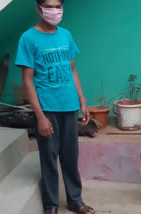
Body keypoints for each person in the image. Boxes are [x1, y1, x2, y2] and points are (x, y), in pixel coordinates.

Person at [15, 0, 94, 213]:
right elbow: (28, 80)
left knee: (70, 157)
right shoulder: (28, 38)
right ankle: (51, 204)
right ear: (38, 8)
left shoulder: (66, 35)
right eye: (49, 5)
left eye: (58, 5)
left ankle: (74, 199)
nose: (55, 10)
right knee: (49, 158)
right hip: (47, 109)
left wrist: (82, 101)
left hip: (69, 107)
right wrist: (40, 116)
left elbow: (73, 70)